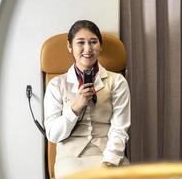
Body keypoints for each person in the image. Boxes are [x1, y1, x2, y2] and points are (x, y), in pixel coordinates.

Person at [44, 20, 131, 178]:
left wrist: (109, 163)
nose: (88, 49)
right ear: (70, 47)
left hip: (109, 155)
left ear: (100, 46)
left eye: (93, 42)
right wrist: (75, 108)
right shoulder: (56, 85)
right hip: (71, 159)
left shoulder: (117, 81)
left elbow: (120, 128)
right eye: (80, 43)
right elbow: (53, 134)